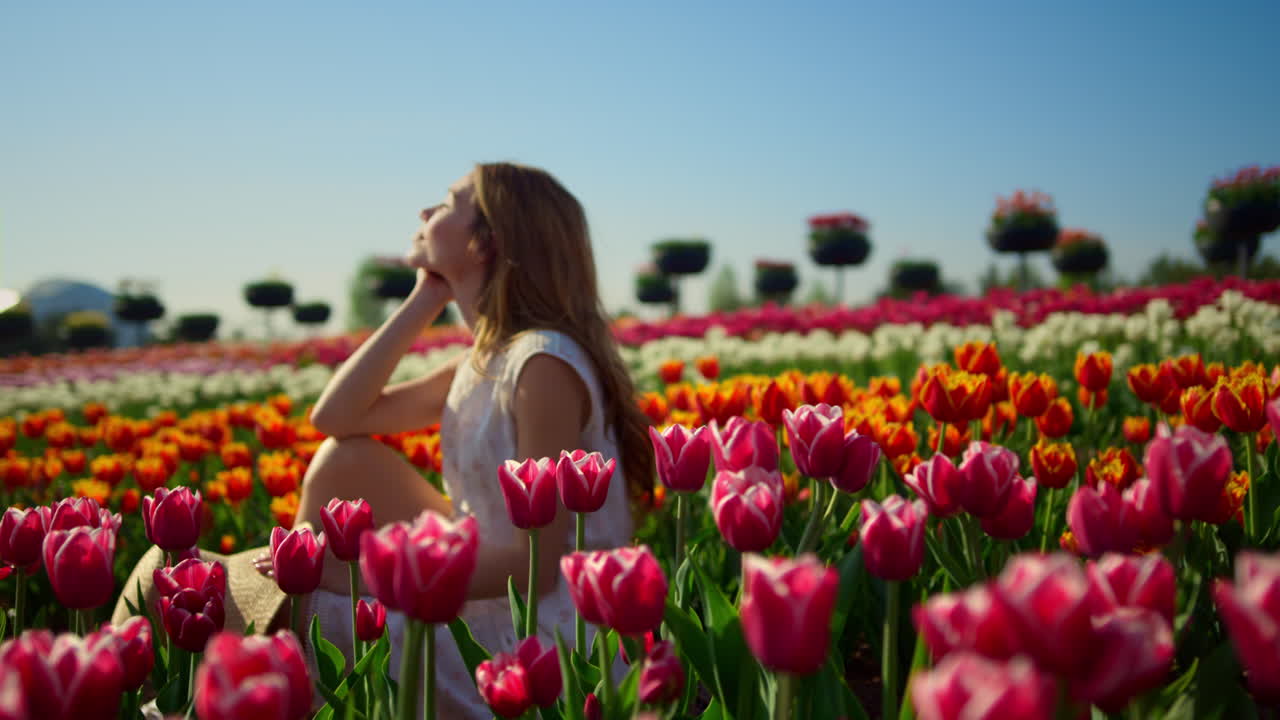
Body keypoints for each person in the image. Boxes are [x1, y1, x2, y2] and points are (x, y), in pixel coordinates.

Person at [254, 162, 655, 717]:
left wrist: (351, 577)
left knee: (308, 612)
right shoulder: (485, 361)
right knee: (341, 462)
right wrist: (425, 300)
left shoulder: (541, 364)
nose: (424, 212)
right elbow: (337, 417)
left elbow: (533, 566)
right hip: (490, 592)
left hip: (546, 637)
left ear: (487, 241)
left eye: (445, 203)